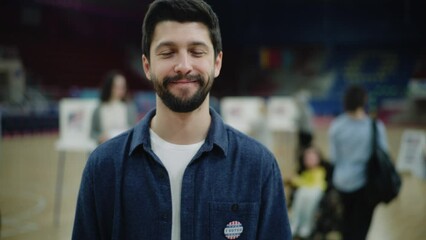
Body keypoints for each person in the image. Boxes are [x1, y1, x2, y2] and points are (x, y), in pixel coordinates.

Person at [72, 0, 292, 239]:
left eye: (197, 52)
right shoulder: (103, 167)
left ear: (217, 63)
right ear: (147, 65)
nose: (184, 66)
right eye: (168, 53)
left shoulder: (259, 166)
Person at [328, 85, 389, 240]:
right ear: (364, 101)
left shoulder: (337, 126)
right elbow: (384, 155)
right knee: (361, 228)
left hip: (341, 182)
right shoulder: (375, 127)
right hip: (366, 184)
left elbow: (333, 157)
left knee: (345, 225)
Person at [288, 146, 327, 239]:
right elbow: (302, 181)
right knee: (299, 198)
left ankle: (306, 227)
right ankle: (294, 224)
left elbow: (316, 182)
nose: (310, 160)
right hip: (304, 192)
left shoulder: (321, 170)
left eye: (312, 158)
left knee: (310, 204)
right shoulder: (303, 171)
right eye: (308, 158)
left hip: (315, 192)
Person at [90, 70, 137, 144]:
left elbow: (134, 130)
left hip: (124, 147)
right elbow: (92, 133)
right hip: (105, 147)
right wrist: (100, 137)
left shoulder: (130, 108)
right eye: (117, 87)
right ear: (109, 87)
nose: (120, 90)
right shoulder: (99, 109)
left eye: (123, 87)